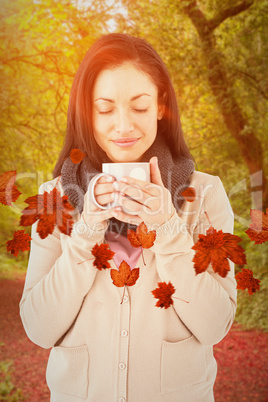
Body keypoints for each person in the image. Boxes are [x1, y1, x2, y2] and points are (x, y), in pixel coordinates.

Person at [20, 33, 237, 402]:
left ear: (161, 105)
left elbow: (216, 325)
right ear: (85, 112)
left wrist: (168, 227)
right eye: (105, 109)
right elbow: (40, 328)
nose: (123, 127)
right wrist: (87, 227)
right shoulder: (52, 198)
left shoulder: (205, 195)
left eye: (139, 107)